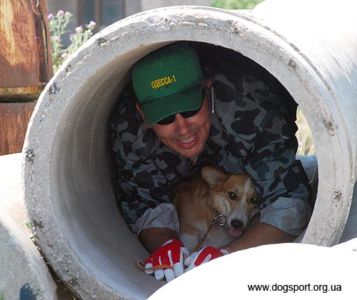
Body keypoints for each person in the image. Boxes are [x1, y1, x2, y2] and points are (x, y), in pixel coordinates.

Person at [110, 42, 311, 282]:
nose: (183, 129)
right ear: (142, 113)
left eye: (189, 110)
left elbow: (290, 202)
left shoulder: (253, 110)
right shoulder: (130, 132)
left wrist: (227, 256)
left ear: (207, 91)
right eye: (164, 117)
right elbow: (141, 202)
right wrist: (165, 245)